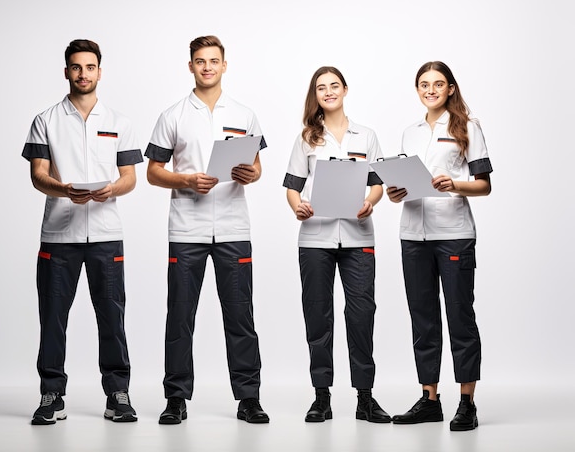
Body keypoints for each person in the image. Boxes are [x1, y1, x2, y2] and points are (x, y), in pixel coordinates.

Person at [145, 35, 269, 425]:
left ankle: (248, 398)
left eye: (214, 61)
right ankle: (176, 398)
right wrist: (185, 181)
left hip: (233, 227)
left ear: (224, 65)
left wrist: (250, 173)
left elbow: (257, 167)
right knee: (180, 315)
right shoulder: (173, 115)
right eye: (200, 61)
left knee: (240, 316)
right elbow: (153, 172)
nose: (207, 67)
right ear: (191, 66)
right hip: (187, 229)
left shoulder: (245, 114)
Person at [22, 39, 143, 425]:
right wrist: (64, 190)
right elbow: (38, 176)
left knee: (112, 315)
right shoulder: (46, 120)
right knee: (53, 316)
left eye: (90, 67)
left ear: (99, 72)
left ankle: (117, 394)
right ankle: (51, 394)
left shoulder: (119, 122)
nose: (83, 74)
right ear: (66, 72)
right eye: (76, 67)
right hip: (59, 236)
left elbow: (129, 179)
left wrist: (111, 189)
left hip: (107, 234)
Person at [387, 61, 492, 431]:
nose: (430, 90)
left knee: (461, 316)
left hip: (454, 233)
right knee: (423, 318)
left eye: (438, 84)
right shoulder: (409, 133)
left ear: (450, 88)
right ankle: (429, 399)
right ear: (417, 90)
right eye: (423, 84)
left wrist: (456, 185)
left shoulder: (467, 126)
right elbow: (401, 186)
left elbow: (484, 184)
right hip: (413, 235)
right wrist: (394, 193)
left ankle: (467, 403)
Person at [283, 66, 391, 423]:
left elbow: (377, 183)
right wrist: (296, 205)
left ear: (345, 89)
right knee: (318, 315)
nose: (328, 92)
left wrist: (371, 201)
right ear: (315, 96)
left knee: (361, 315)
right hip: (316, 236)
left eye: (334, 86)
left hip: (359, 236)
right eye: (320, 88)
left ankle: (365, 397)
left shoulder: (367, 136)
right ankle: (321, 397)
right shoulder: (306, 139)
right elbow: (292, 186)